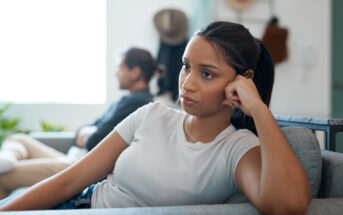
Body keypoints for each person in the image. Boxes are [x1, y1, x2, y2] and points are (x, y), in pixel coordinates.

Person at [0, 21, 311, 215]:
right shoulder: (150, 115)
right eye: (186, 66)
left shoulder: (237, 149)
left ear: (242, 82)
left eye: (207, 74)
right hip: (81, 204)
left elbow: (289, 205)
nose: (187, 83)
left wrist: (257, 107)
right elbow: (71, 179)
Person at [0, 47, 161, 200]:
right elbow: (82, 131)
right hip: (75, 158)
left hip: (80, 168)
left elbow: (94, 140)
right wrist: (86, 133)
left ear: (135, 72)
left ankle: (8, 163)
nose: (115, 73)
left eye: (120, 67)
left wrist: (89, 133)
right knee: (19, 139)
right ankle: (10, 158)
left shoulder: (137, 104)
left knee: (2, 177)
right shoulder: (126, 100)